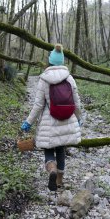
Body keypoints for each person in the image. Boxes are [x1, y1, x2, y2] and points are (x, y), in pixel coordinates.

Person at [21, 43, 82, 191]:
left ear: (50, 61)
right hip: (67, 119)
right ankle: (59, 181)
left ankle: (52, 169)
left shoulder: (44, 79)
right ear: (62, 61)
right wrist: (79, 118)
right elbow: (76, 101)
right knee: (61, 148)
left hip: (50, 122)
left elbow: (38, 105)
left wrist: (28, 122)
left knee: (48, 148)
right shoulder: (69, 78)